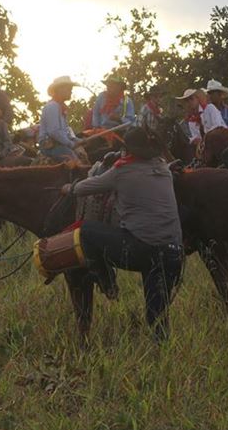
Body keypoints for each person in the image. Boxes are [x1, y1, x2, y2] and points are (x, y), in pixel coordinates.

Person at [60, 128, 183, 341]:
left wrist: (68, 188)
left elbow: (85, 188)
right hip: (173, 252)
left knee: (86, 231)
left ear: (127, 149)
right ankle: (162, 348)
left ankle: (106, 279)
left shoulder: (121, 172)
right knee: (157, 314)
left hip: (142, 250)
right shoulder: (163, 168)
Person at [39, 75, 82, 162]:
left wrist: (77, 140)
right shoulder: (52, 107)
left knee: (82, 154)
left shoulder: (60, 107)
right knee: (74, 161)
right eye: (69, 89)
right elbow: (54, 132)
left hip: (59, 144)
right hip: (52, 147)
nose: (71, 92)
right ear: (60, 90)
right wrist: (71, 144)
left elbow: (65, 131)